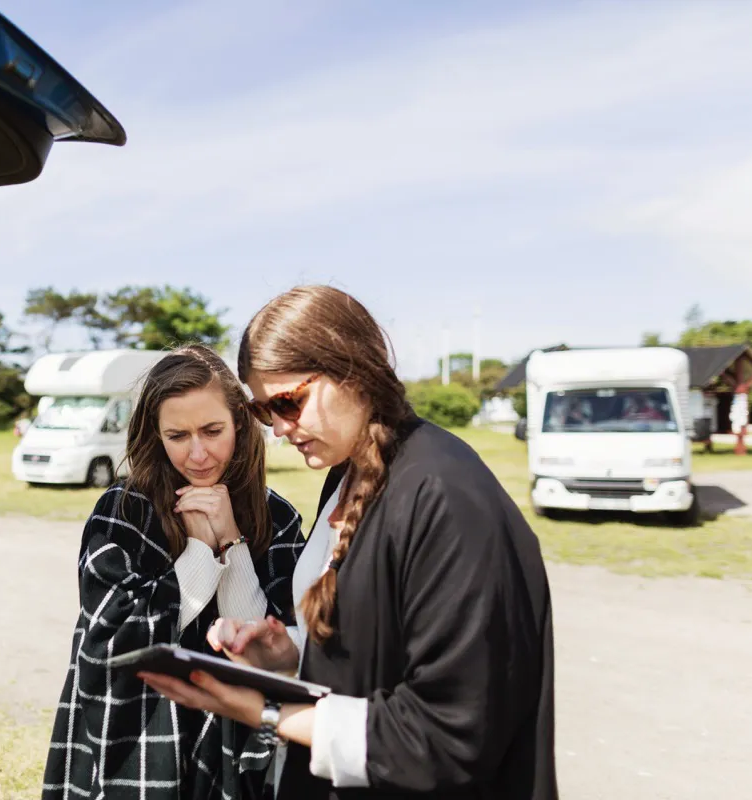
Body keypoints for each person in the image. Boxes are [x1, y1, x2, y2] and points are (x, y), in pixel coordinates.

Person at [140, 286, 557, 800]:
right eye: (264, 411)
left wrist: (266, 711)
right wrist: (292, 652)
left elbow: (448, 738)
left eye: (288, 402)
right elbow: (374, 657)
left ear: (353, 370)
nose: (278, 429)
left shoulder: (446, 499)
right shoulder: (345, 474)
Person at [42, 343, 306, 800]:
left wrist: (233, 543)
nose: (198, 454)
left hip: (236, 736)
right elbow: (115, 639)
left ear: (240, 426)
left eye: (212, 430)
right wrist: (201, 549)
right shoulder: (122, 513)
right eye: (178, 436)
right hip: (137, 734)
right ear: (155, 435)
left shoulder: (277, 517)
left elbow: (278, 645)